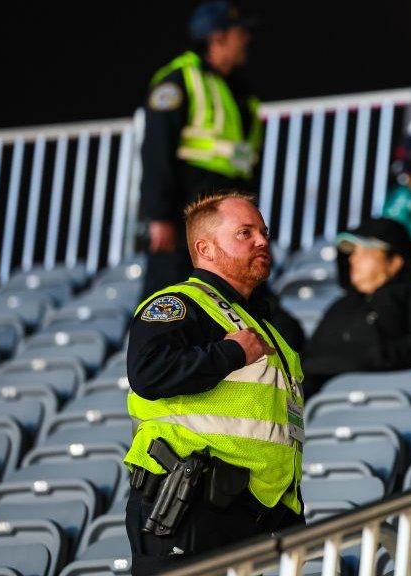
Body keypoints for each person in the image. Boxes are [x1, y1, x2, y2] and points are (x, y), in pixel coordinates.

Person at [124, 191, 304, 575]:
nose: (262, 240)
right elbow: (148, 373)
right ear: (204, 248)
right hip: (191, 508)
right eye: (245, 232)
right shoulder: (180, 304)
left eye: (264, 231)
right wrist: (231, 354)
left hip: (261, 513)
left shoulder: (264, 325)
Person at [140, 1, 261, 298]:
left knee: (239, 292)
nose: (246, 39)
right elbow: (157, 151)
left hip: (230, 198)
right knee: (173, 288)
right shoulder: (178, 80)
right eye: (239, 32)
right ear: (217, 37)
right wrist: (160, 216)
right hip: (188, 202)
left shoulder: (241, 91)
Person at [303, 218, 411, 394]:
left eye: (364, 252)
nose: (352, 259)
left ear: (395, 261)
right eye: (351, 253)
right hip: (327, 404)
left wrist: (366, 359)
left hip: (391, 399)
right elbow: (312, 357)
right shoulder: (339, 306)